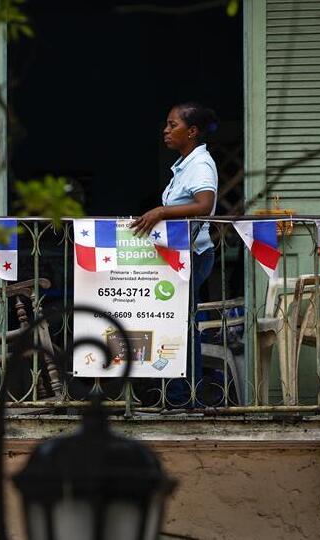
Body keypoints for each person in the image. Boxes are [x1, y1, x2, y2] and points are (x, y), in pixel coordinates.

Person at [130, 102, 219, 406]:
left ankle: (186, 396)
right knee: (173, 320)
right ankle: (175, 393)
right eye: (166, 125)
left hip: (194, 255)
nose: (165, 131)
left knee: (182, 322)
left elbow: (204, 204)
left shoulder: (200, 164)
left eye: (173, 125)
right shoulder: (184, 164)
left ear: (192, 131)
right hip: (179, 255)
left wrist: (161, 211)